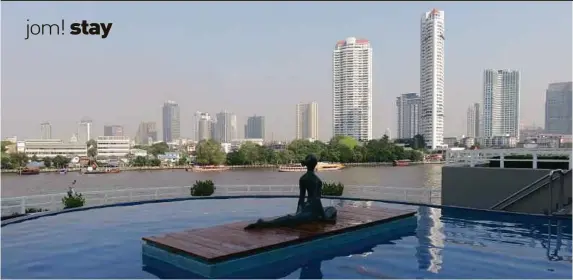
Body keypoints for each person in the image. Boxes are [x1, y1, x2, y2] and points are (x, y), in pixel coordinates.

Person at [244, 154, 337, 230]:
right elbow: (317, 200)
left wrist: (298, 211)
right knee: (332, 210)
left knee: (330, 209)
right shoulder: (317, 180)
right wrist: (324, 218)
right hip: (313, 212)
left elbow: (301, 198)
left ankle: (266, 223)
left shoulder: (303, 178)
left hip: (306, 208)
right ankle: (265, 224)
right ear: (315, 165)